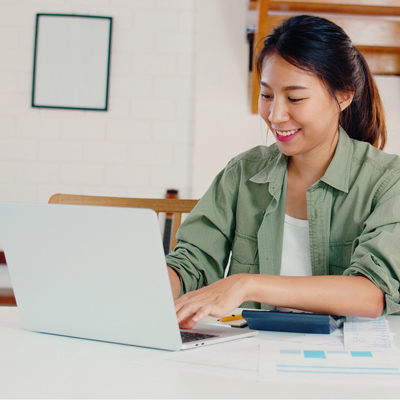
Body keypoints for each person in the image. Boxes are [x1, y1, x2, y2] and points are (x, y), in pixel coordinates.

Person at [166, 15, 400, 329]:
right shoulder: (243, 172)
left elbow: (372, 294)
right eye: (266, 95)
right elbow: (190, 263)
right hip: (251, 352)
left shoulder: (388, 180)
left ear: (343, 95)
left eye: (295, 98)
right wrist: (148, 290)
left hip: (349, 363)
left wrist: (246, 284)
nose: (275, 115)